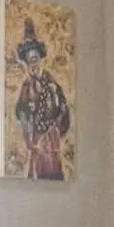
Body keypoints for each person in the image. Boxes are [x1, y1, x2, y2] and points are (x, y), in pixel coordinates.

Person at [13, 17, 71, 180]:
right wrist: (29, 136)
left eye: (35, 60)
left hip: (51, 138)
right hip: (37, 140)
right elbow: (22, 113)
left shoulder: (52, 84)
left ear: (40, 60)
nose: (32, 66)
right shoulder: (27, 86)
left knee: (54, 170)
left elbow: (63, 109)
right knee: (37, 172)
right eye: (28, 62)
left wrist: (59, 127)